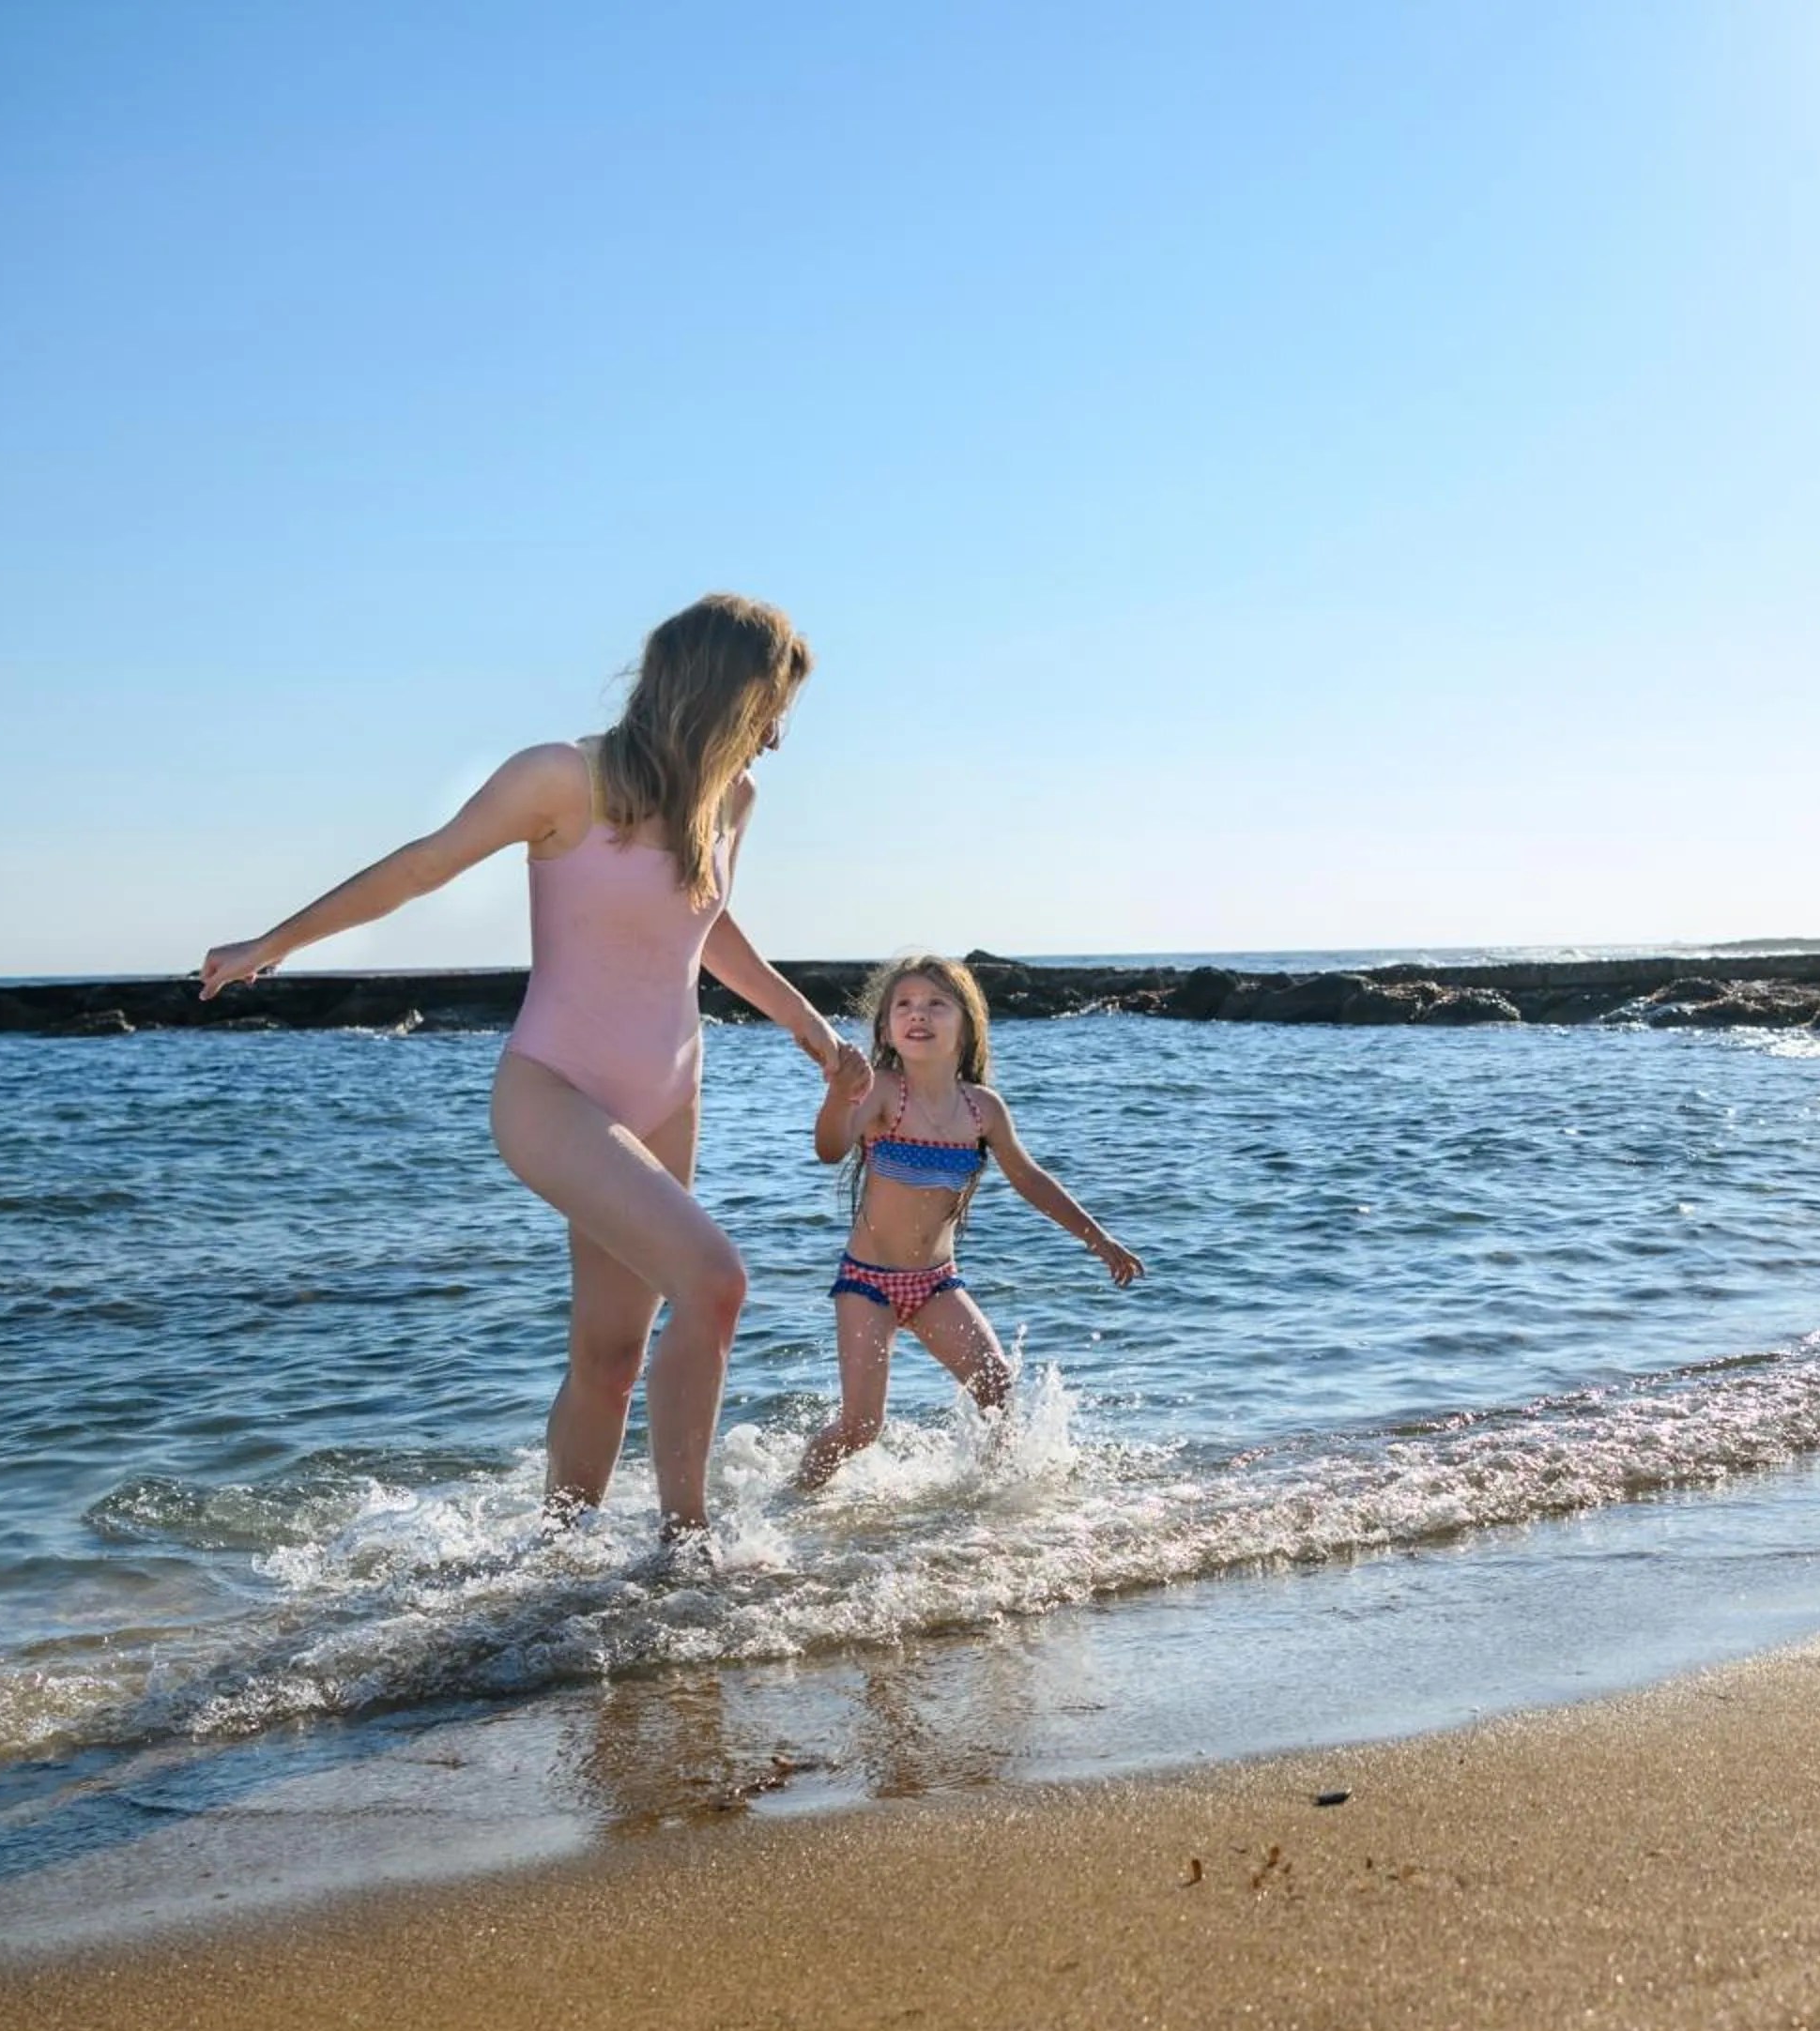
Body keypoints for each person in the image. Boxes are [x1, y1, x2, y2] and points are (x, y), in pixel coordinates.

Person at [198, 593, 868, 1536]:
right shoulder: (563, 776)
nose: (778, 737)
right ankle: (689, 1552)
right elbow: (422, 865)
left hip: (670, 1089)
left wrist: (810, 1027)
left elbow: (709, 931)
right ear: (720, 692)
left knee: (611, 1353)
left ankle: (555, 1557)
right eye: (771, 709)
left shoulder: (732, 802)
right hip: (554, 1085)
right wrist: (275, 941)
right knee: (715, 1279)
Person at [796, 954, 1139, 1488]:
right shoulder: (884, 1091)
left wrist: (1099, 1240)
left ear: (967, 1025)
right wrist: (840, 1095)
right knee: (862, 1427)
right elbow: (829, 1148)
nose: (920, 1015)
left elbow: (1030, 1179)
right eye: (904, 1005)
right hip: (867, 1285)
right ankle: (796, 1495)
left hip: (937, 1284)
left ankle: (990, 1501)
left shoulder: (982, 1109)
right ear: (887, 1025)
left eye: (937, 1005)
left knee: (996, 1388)